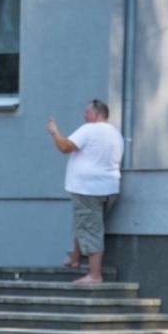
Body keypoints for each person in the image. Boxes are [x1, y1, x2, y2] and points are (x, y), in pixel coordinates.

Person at [45, 99, 124, 285]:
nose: (84, 115)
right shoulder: (115, 133)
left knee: (90, 227)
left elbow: (64, 147)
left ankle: (95, 275)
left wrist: (54, 131)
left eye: (87, 112)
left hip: (88, 189)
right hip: (109, 188)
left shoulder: (89, 129)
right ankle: (76, 258)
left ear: (96, 114)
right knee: (85, 222)